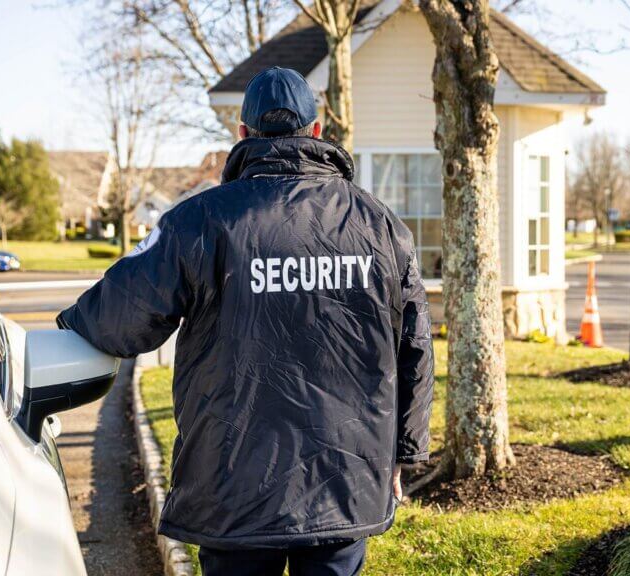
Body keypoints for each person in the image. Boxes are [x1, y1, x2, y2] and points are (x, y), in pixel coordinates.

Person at [57, 66, 434, 576]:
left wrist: (65, 326)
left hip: (233, 483)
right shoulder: (379, 225)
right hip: (345, 480)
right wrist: (403, 453)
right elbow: (414, 344)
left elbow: (117, 319)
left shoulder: (198, 222)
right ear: (317, 132)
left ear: (241, 136)